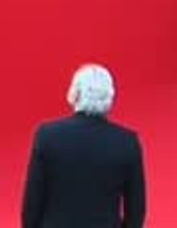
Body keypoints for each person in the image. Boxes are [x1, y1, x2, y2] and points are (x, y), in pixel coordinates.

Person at [22, 64, 146, 228]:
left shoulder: (48, 136)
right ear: (110, 97)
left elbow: (32, 203)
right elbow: (136, 211)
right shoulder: (127, 142)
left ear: (76, 94)